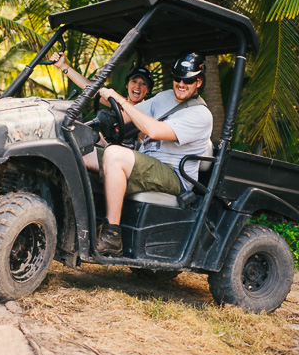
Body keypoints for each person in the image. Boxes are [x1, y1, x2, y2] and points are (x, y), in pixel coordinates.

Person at [85, 52, 213, 256]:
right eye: (177, 78)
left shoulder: (201, 115)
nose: (181, 84)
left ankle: (112, 236)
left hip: (174, 175)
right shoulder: (163, 97)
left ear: (198, 81)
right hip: (147, 163)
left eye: (187, 80)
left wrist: (120, 99)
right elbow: (126, 114)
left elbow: (154, 130)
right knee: (81, 152)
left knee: (115, 155)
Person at [52, 52, 153, 106]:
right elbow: (88, 87)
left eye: (143, 83)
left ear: (148, 89)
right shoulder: (119, 104)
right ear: (127, 85)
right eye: (134, 81)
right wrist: (63, 66)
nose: (138, 86)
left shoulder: (149, 109)